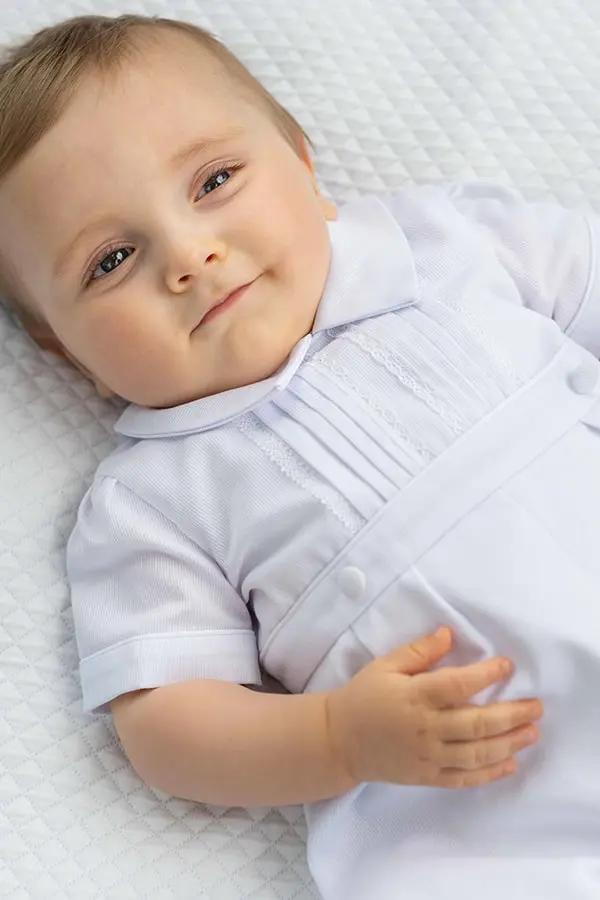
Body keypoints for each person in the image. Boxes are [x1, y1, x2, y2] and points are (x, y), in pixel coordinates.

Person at [1, 13, 598, 899]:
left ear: (303, 161)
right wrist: (333, 740)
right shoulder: (151, 501)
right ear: (63, 352)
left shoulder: (444, 245)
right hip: (484, 818)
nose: (190, 255)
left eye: (215, 180)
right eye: (112, 259)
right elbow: (167, 723)